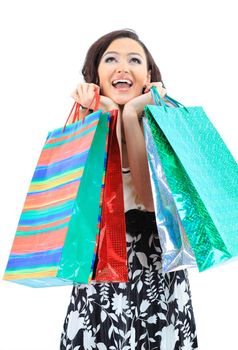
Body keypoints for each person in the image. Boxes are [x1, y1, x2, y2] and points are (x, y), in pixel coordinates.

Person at [60, 29, 198, 350]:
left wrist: (133, 114)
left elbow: (149, 200)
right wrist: (99, 114)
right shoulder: (83, 122)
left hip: (156, 270)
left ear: (148, 76)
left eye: (134, 60)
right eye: (111, 59)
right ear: (96, 75)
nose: (123, 67)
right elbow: (80, 207)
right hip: (103, 268)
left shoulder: (165, 122)